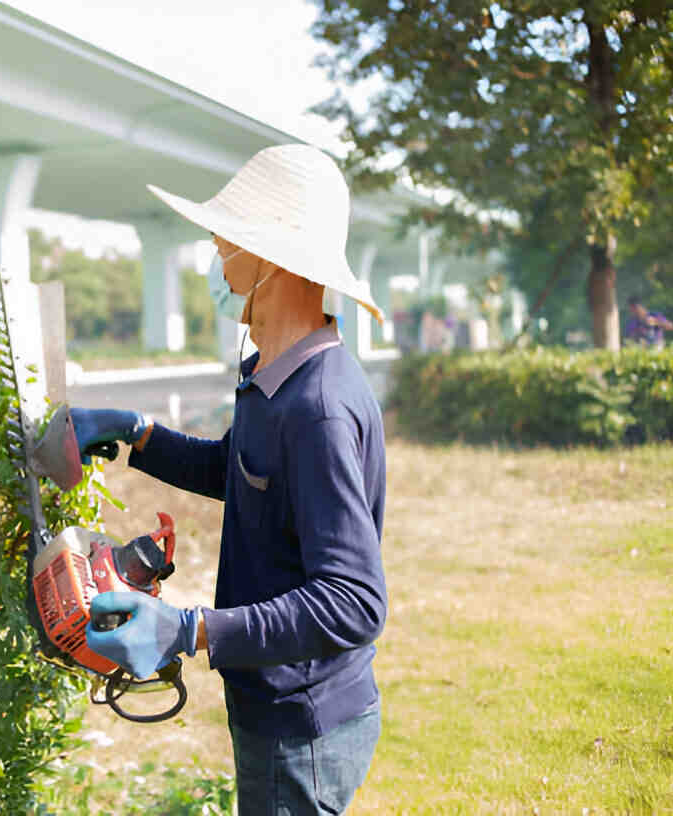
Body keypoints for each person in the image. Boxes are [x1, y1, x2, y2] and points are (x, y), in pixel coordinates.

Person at [71, 145, 388, 815]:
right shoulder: (274, 377)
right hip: (279, 704)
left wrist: (188, 628)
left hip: (301, 723)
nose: (216, 242)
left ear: (271, 256)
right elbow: (241, 473)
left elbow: (354, 601)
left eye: (230, 233)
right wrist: (137, 433)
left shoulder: (318, 407)